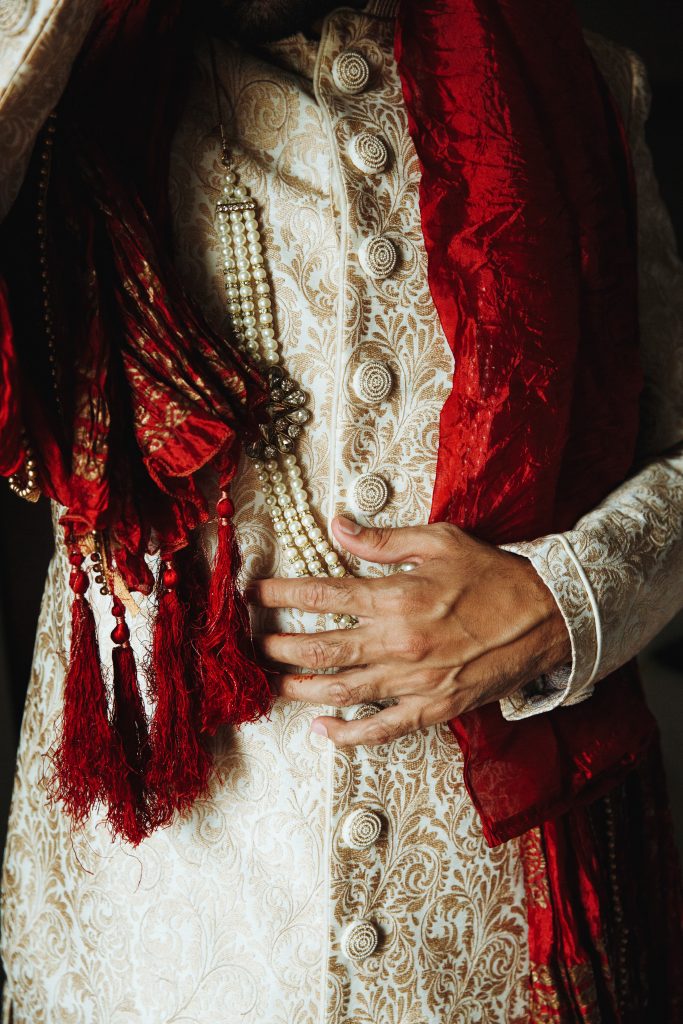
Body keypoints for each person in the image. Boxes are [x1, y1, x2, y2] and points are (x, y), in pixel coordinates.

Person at [0, 0, 682, 1020]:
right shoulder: (64, 93)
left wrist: (562, 600)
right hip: (163, 921)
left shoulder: (576, 84)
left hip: (489, 924)